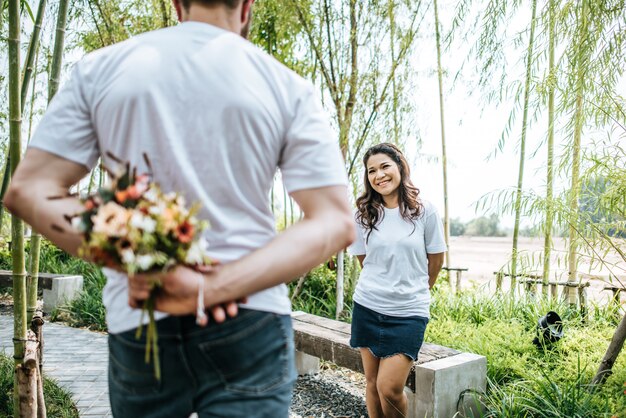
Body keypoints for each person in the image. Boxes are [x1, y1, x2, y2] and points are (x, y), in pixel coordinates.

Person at [5, 0, 355, 416]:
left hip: (141, 314)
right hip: (250, 316)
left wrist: (142, 261)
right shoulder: (284, 84)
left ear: (176, 6)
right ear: (247, 8)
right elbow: (334, 219)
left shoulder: (102, 69)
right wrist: (215, 286)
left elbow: (29, 190)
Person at [347, 143, 446, 418]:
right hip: (367, 305)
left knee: (388, 387)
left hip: (408, 312)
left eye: (384, 166)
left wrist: (414, 289)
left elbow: (435, 260)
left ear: (400, 166)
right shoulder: (363, 214)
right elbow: (365, 261)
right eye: (371, 171)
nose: (379, 175)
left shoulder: (425, 211)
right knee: (371, 383)